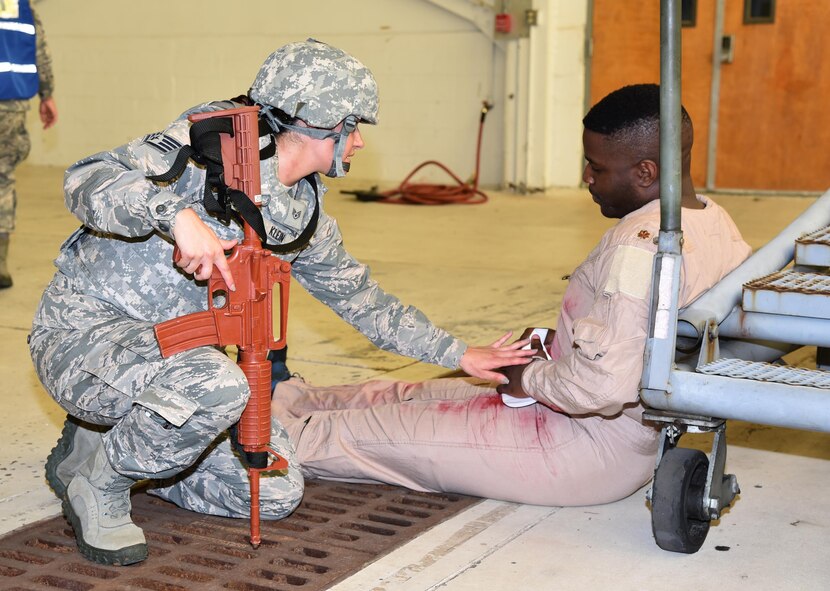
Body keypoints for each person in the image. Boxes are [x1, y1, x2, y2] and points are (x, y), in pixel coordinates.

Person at [29, 39, 533, 566]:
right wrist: (176, 216)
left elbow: (363, 300)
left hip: (174, 366)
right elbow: (86, 178)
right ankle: (100, 484)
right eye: (352, 127)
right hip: (82, 341)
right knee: (215, 386)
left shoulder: (299, 210)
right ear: (318, 124)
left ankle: (115, 446)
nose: (358, 143)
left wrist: (460, 355)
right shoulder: (203, 152)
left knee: (274, 493)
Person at [271, 84, 753, 507]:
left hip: (582, 445)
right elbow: (643, 336)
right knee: (403, 394)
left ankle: (235, 439)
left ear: (645, 172)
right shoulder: (712, 218)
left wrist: (531, 377)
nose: (587, 177)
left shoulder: (640, 245)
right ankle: (276, 400)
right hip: (589, 416)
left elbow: (603, 387)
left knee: (358, 436)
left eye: (596, 167)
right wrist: (552, 347)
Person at [0, 0, 58, 288]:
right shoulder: (19, 7)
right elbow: (40, 53)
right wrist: (47, 95)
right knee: (2, 180)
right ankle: (0, 263)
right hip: (9, 106)